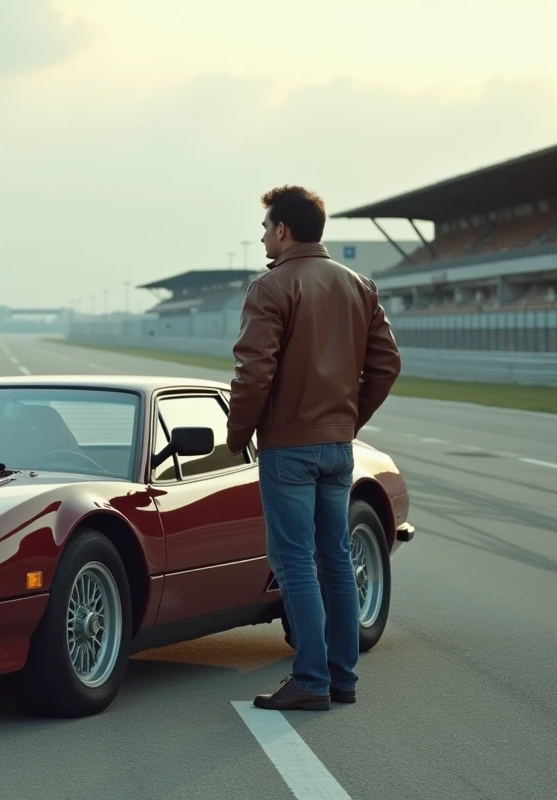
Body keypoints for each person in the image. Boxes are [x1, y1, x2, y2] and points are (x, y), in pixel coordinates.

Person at [225, 185, 402, 711]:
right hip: (338, 448)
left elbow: (253, 372)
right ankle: (342, 678)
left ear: (283, 230)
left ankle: (310, 681)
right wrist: (346, 421)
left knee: (295, 561)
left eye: (265, 227)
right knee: (336, 560)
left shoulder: (270, 287)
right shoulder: (359, 285)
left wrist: (238, 434)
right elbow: (387, 365)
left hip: (289, 449)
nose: (262, 235)